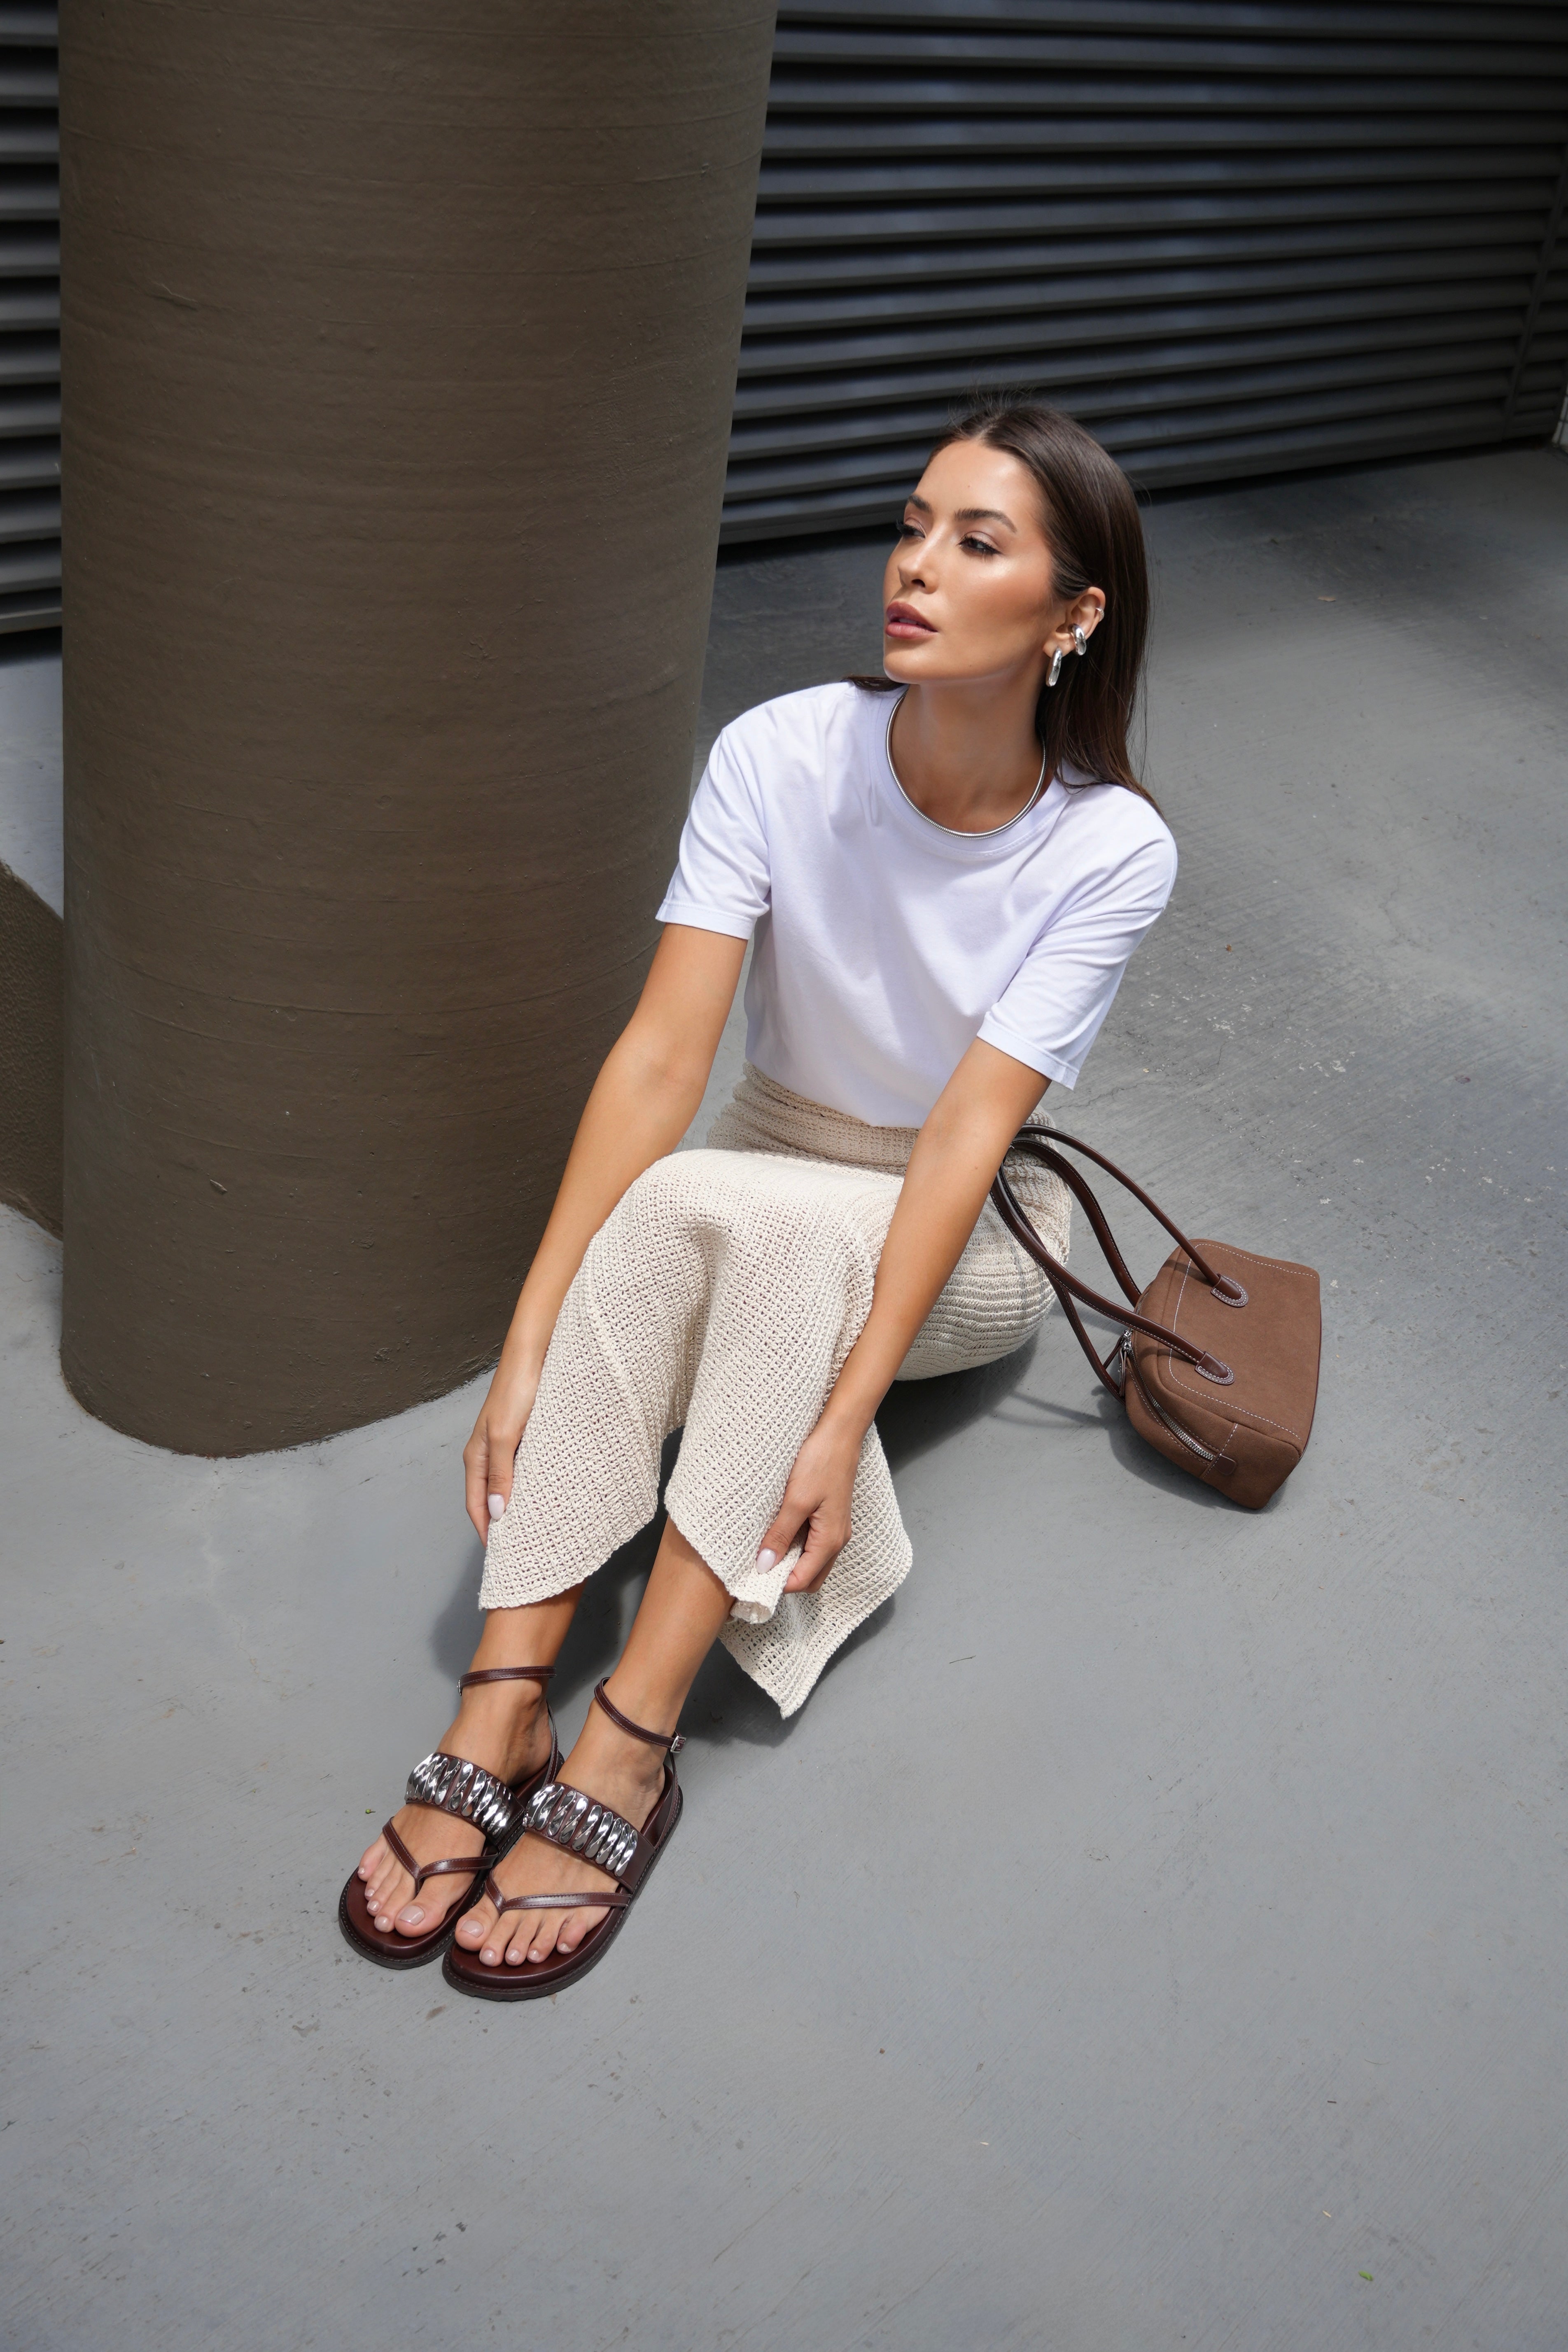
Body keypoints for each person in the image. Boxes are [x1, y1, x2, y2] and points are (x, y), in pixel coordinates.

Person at [339, 401, 1177, 2000]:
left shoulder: (1109, 848)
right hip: (757, 1160)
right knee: (691, 1200)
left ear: (1074, 616)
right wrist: (528, 1343)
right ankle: (503, 1702)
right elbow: (664, 1060)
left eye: (977, 543)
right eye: (912, 526)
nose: (914, 567)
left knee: (759, 1228)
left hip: (965, 1232)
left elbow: (965, 1135)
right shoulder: (780, 752)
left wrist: (841, 1420)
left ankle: (631, 1732)